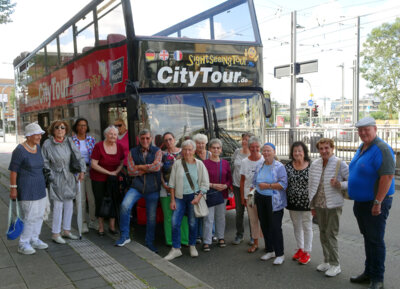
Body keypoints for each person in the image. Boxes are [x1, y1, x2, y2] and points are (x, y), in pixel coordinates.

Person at [348, 117, 395, 289]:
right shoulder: (363, 147)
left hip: (374, 203)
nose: (362, 133)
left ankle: (378, 278)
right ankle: (368, 272)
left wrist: (378, 202)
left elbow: (388, 176)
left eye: (366, 129)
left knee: (375, 240)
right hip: (362, 203)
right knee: (368, 239)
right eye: (360, 130)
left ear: (375, 129)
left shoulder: (381, 148)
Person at [116, 129, 162, 252]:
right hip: (137, 187)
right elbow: (131, 171)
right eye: (143, 138)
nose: (145, 141)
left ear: (151, 138)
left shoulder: (157, 151)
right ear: (139, 139)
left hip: (152, 188)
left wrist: (140, 167)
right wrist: (148, 168)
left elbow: (157, 167)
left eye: (147, 138)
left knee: (151, 217)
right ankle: (125, 236)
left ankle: (149, 242)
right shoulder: (132, 152)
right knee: (125, 206)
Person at [308, 138, 348, 277]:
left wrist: (340, 184)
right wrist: (312, 205)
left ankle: (336, 264)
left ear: (332, 148)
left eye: (327, 148)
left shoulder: (339, 163)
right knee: (323, 232)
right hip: (319, 204)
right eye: (321, 148)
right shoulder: (315, 164)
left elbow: (351, 181)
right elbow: (311, 185)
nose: (324, 151)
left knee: (331, 234)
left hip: (333, 204)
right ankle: (327, 261)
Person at [164, 139, 209, 260]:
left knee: (192, 223)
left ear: (194, 150)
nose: (187, 152)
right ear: (182, 151)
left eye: (190, 149)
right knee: (175, 222)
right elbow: (172, 184)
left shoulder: (200, 164)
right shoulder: (177, 164)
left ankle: (192, 245)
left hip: (194, 197)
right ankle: (176, 248)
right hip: (179, 197)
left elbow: (205, 184)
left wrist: (198, 198)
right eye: (185, 149)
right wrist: (172, 200)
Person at [42, 120, 86, 244]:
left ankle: (66, 231)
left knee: (69, 204)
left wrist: (82, 171)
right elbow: (44, 162)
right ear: (53, 130)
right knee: (58, 205)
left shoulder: (69, 141)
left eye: (63, 127)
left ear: (66, 130)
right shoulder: (47, 143)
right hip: (56, 176)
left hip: (70, 176)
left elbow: (78, 156)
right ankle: (55, 233)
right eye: (57, 127)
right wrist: (51, 176)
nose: (60, 130)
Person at [8, 122, 47, 254]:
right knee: (30, 216)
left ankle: (34, 239)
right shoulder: (19, 150)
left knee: (40, 215)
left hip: (40, 186)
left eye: (40, 134)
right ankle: (23, 243)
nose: (39, 137)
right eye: (37, 134)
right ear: (29, 135)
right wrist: (13, 188)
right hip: (27, 188)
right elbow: (13, 171)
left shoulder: (38, 148)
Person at [254, 142, 287, 265]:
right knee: (265, 225)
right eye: (264, 151)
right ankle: (270, 250)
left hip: (274, 201)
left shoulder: (279, 166)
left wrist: (267, 186)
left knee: (275, 227)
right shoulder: (259, 165)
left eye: (269, 151)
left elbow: (283, 184)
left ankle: (280, 253)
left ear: (274, 152)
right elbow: (254, 181)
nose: (266, 153)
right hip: (260, 198)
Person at [90, 126, 124, 236]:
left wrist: (116, 171)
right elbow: (93, 164)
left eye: (115, 134)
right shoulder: (98, 146)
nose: (113, 136)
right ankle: (100, 227)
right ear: (105, 135)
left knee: (114, 201)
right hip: (98, 178)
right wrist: (109, 173)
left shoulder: (119, 146)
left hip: (113, 179)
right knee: (100, 201)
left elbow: (122, 162)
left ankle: (112, 227)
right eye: (111, 134)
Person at [159, 132, 189, 246]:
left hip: (182, 189)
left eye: (170, 139)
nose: (168, 142)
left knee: (183, 215)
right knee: (168, 216)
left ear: (174, 139)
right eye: (166, 140)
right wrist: (164, 184)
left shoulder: (184, 151)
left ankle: (184, 240)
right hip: (166, 188)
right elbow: (160, 172)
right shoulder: (161, 154)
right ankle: (170, 241)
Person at [202, 138, 232, 251]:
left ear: (221, 150)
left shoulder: (225, 163)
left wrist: (225, 186)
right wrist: (212, 185)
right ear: (209, 149)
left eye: (218, 148)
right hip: (209, 194)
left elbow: (230, 179)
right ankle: (207, 241)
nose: (216, 150)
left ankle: (221, 237)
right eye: (213, 147)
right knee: (208, 218)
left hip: (222, 194)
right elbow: (201, 180)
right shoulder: (204, 163)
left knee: (220, 217)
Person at [285, 141, 312, 265]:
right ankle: (300, 249)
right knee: (296, 226)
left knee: (307, 226)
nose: (297, 153)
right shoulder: (288, 166)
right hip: (293, 201)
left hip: (307, 202)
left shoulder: (311, 165)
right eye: (295, 151)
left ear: (304, 152)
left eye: (300, 151)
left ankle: (307, 252)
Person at [71, 118, 97, 232]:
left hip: (90, 170)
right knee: (80, 199)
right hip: (77, 172)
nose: (83, 128)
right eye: (80, 125)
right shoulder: (71, 141)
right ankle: (83, 222)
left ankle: (92, 220)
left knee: (92, 198)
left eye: (85, 125)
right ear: (76, 127)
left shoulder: (91, 140)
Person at [240, 136, 264, 253]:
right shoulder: (244, 162)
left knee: (265, 219)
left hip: (264, 194)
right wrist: (242, 197)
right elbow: (242, 180)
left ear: (260, 147)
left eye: (257, 147)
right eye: (252, 147)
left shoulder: (265, 160)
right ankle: (255, 243)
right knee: (253, 220)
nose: (254, 149)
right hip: (249, 195)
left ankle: (268, 243)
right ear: (249, 148)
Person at [231, 133, 252, 245]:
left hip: (249, 188)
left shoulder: (253, 154)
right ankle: (239, 234)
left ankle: (253, 236)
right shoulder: (236, 152)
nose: (245, 142)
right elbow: (232, 166)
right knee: (239, 212)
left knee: (251, 212)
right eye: (243, 139)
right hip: (237, 186)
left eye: (247, 140)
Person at [192, 133, 211, 243]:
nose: (200, 145)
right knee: (198, 211)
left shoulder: (210, 154)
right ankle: (198, 235)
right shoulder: (192, 155)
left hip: (209, 186)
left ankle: (210, 234)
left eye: (202, 143)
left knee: (209, 212)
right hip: (197, 187)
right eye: (198, 143)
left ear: (206, 143)